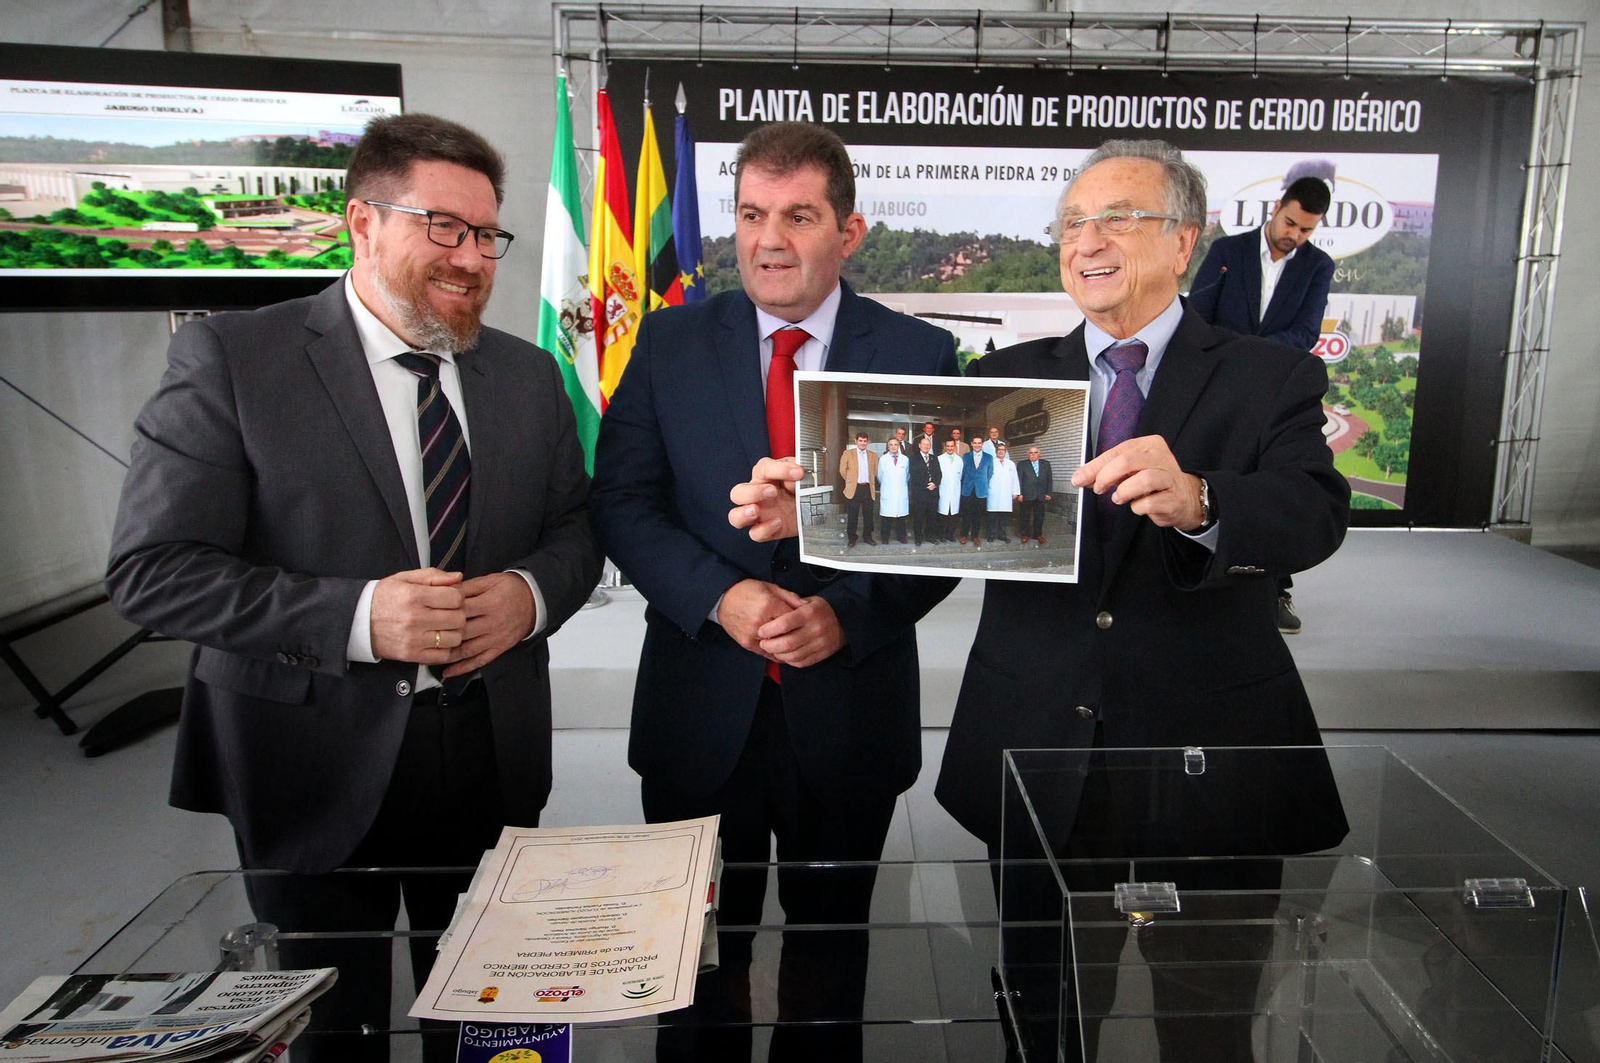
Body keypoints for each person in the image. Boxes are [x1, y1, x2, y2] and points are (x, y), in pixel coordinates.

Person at [104, 114, 602, 1063]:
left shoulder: (532, 377)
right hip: (311, 768)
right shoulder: (232, 360)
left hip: (493, 766)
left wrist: (530, 597)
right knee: (336, 1032)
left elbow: (576, 531)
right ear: (361, 223)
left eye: (487, 235)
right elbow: (151, 570)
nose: (470, 259)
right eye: (441, 226)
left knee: (497, 1027)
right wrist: (363, 617)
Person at [932, 139, 1350, 1063]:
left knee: (1207, 1028)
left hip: (1210, 770)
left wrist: (1205, 499)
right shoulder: (1005, 380)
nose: (1089, 239)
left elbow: (1316, 512)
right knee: (1045, 1027)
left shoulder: (1265, 375)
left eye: (1119, 216)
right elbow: (924, 518)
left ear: (1184, 242)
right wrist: (815, 508)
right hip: (1041, 756)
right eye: (1073, 221)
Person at [589, 120, 957, 1061]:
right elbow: (624, 504)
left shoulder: (917, 353)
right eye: (752, 214)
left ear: (851, 231)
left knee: (829, 963)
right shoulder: (667, 342)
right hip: (698, 710)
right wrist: (724, 598)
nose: (769, 239)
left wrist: (851, 613)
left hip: (849, 710)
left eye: (798, 215)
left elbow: (947, 530)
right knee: (698, 964)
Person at [1188, 174, 1335, 635]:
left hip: (1275, 388)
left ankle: (1274, 591)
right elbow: (1198, 313)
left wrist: (1253, 356)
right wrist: (1234, 357)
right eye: (1291, 223)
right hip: (1218, 384)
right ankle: (1204, 579)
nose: (1295, 235)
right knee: (1220, 478)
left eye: (1306, 230)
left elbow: (1307, 332)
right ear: (1276, 207)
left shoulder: (1318, 266)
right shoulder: (1227, 253)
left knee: (1271, 486)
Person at [838, 430, 878, 546]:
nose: (862, 443)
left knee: (868, 515)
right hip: (854, 488)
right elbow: (842, 470)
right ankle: (852, 538)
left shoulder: (873, 455)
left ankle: (867, 536)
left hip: (867, 488)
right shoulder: (847, 453)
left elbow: (875, 471)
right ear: (856, 441)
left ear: (868, 442)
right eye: (860, 441)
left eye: (865, 441)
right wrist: (850, 480)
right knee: (853, 515)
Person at [958, 432, 993, 545]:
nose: (977, 445)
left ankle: (975, 536)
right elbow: (962, 473)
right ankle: (963, 535)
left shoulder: (989, 457)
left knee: (978, 515)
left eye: (979, 443)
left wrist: (981, 482)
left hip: (981, 490)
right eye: (975, 443)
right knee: (966, 514)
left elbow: (989, 473)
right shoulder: (966, 456)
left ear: (982, 444)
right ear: (972, 444)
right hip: (968, 489)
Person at [909, 434, 942, 545]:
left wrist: (935, 484)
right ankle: (918, 538)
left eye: (928, 445)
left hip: (933, 493)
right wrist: (926, 484)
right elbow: (914, 475)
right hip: (920, 493)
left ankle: (930, 536)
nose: (926, 446)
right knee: (919, 517)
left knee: (932, 516)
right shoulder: (913, 458)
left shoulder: (934, 458)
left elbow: (939, 473)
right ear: (919, 445)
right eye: (924, 444)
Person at [1017, 443, 1054, 544]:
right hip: (1027, 494)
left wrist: (1049, 493)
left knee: (1039, 516)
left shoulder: (1046, 464)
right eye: (1031, 453)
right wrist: (1019, 494)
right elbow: (1018, 480)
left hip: (1041, 494)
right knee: (1025, 515)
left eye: (1035, 452)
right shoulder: (1022, 464)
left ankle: (1038, 534)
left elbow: (1049, 479)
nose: (1033, 454)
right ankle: (1025, 534)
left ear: (1039, 454)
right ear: (1027, 454)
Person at [985, 439, 1021, 542]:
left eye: (1003, 450)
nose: (1001, 451)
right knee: (992, 515)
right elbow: (987, 477)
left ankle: (1002, 535)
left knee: (1004, 516)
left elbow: (1015, 478)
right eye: (999, 450)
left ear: (1006, 452)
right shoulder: (991, 462)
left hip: (1006, 494)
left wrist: (1015, 492)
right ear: (996, 451)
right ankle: (991, 534)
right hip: (993, 493)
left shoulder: (1011, 464)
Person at [877, 437, 911, 542]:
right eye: (891, 445)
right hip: (888, 490)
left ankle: (901, 537)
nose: (893, 447)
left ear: (899, 446)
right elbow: (879, 476)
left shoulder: (905, 459)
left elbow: (907, 476)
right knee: (886, 517)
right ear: (888, 447)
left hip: (901, 491)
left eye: (895, 444)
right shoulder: (883, 459)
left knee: (901, 517)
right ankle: (885, 537)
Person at [936, 437, 965, 542]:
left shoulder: (959, 460)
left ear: (954, 447)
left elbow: (960, 475)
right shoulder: (939, 459)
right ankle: (941, 535)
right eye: (947, 446)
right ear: (945, 447)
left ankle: (950, 535)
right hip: (943, 490)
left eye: (951, 446)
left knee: (953, 515)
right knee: (943, 515)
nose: (949, 448)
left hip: (955, 491)